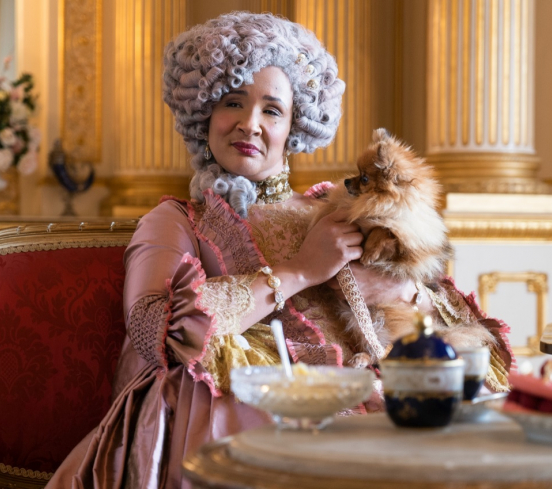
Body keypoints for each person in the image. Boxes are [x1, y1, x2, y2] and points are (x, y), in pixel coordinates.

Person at [47, 11, 514, 489]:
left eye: (272, 110)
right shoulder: (177, 220)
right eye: (233, 102)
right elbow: (156, 334)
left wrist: (403, 293)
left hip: (376, 404)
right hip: (253, 420)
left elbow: (457, 327)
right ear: (205, 111)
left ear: (294, 126)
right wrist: (299, 271)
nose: (249, 124)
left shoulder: (337, 206)